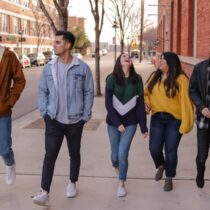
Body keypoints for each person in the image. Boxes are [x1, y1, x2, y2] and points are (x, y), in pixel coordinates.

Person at [32, 31, 94, 205]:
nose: (54, 45)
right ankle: (44, 191)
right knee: (50, 155)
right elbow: (42, 90)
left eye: (58, 42)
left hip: (75, 121)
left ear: (68, 45)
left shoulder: (82, 68)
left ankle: (72, 182)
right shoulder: (49, 67)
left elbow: (89, 91)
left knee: (74, 153)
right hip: (53, 120)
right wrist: (44, 112)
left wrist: (85, 115)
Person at [144, 52, 194, 191]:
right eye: (159, 59)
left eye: (162, 59)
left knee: (170, 150)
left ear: (170, 63)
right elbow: (145, 93)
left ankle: (169, 177)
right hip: (157, 118)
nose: (158, 61)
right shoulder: (154, 76)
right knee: (154, 148)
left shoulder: (181, 79)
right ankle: (161, 165)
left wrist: (186, 123)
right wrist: (146, 103)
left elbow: (186, 102)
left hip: (175, 120)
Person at [105, 53, 148, 197]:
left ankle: (121, 182)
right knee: (114, 156)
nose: (127, 57)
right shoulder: (111, 79)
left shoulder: (137, 79)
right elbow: (108, 105)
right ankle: (118, 167)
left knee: (123, 153)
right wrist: (117, 123)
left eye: (129, 56)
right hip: (113, 123)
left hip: (130, 123)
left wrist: (143, 127)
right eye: (123, 56)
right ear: (119, 61)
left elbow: (140, 104)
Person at [0, 46, 26, 185]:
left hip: (2, 110)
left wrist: (10, 101)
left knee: (4, 149)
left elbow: (20, 80)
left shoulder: (8, 56)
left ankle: (10, 164)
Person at [189, 47, 210, 189]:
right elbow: (192, 90)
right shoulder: (200, 68)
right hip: (204, 120)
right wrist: (201, 106)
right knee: (202, 153)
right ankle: (200, 171)